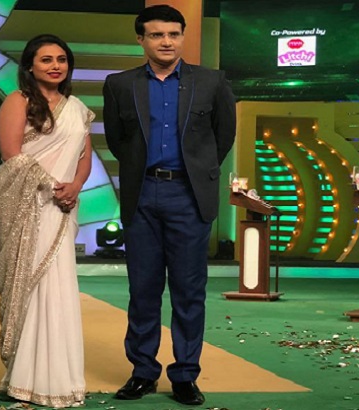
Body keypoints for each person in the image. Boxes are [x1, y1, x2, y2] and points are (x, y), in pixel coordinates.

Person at [102, 4, 236, 406]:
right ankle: (143, 371)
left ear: (182, 37)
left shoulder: (211, 81)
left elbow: (222, 137)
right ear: (141, 39)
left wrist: (197, 172)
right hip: (142, 194)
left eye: (174, 34)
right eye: (157, 35)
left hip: (188, 196)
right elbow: (117, 140)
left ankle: (185, 375)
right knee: (142, 290)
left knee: (188, 291)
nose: (166, 42)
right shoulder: (119, 84)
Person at [0, 34, 94, 408]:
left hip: (63, 207)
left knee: (59, 287)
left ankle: (59, 379)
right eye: (46, 59)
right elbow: (11, 156)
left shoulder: (77, 108)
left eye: (61, 59)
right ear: (30, 66)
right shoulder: (18, 101)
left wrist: (74, 187)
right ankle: (25, 378)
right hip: (29, 206)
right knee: (31, 288)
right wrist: (50, 186)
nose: (55, 65)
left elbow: (83, 157)